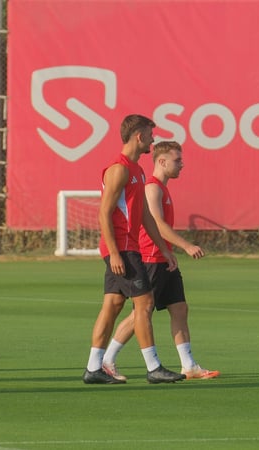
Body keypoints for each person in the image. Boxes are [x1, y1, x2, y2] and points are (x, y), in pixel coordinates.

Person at [101, 141, 220, 381]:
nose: (182, 165)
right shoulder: (152, 188)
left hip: (164, 258)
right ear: (162, 162)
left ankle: (189, 365)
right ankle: (107, 360)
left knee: (179, 308)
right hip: (150, 258)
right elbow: (157, 223)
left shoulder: (162, 188)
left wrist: (169, 252)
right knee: (141, 313)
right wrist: (186, 246)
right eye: (177, 160)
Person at [82, 114, 185, 385]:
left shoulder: (137, 170)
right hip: (122, 248)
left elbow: (146, 217)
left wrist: (164, 249)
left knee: (113, 305)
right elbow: (104, 213)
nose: (153, 140)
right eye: (150, 135)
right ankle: (153, 367)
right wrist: (115, 253)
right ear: (139, 136)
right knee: (145, 303)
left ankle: (93, 368)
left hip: (129, 247)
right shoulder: (119, 168)